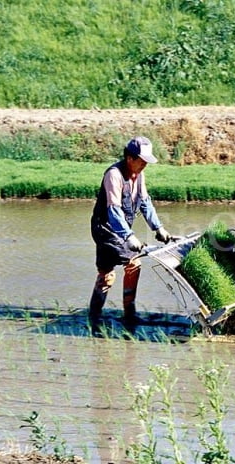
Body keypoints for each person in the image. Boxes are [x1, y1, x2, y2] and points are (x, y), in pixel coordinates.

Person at [88, 136, 172, 334]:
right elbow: (114, 211)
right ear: (129, 158)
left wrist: (158, 228)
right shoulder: (114, 175)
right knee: (133, 263)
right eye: (141, 160)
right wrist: (129, 236)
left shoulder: (139, 175)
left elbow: (145, 202)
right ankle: (129, 313)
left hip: (119, 229)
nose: (144, 165)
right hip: (106, 229)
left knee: (106, 275)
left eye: (146, 161)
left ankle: (94, 315)